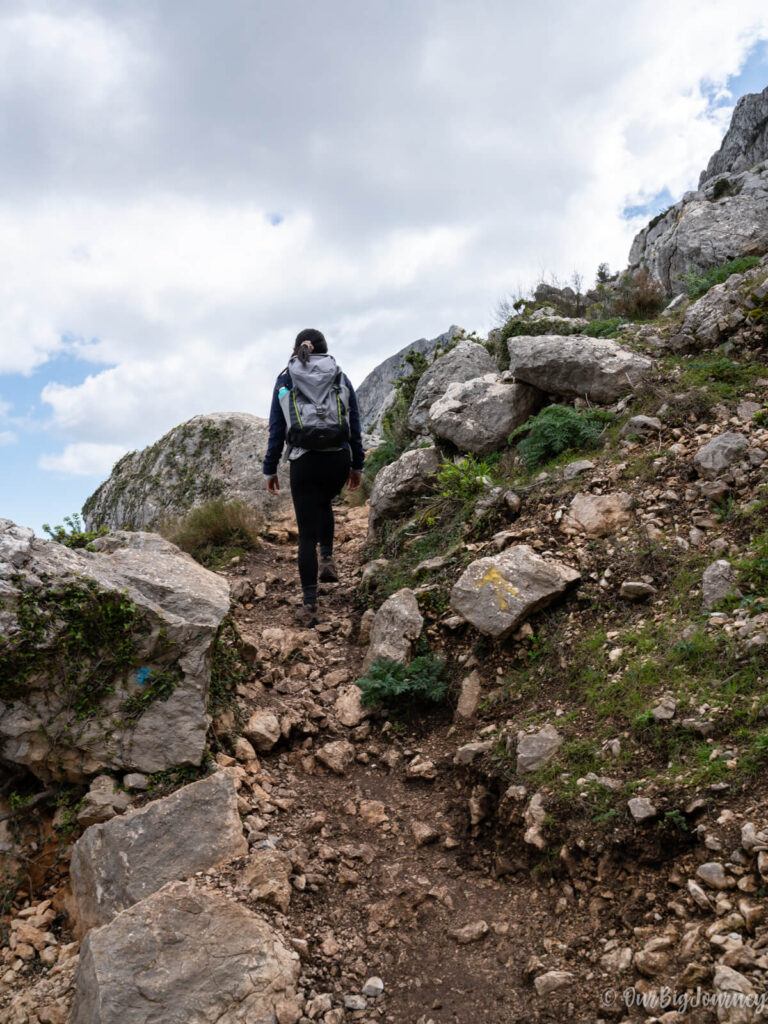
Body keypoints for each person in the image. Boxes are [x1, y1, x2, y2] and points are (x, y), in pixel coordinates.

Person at [263, 328, 364, 626]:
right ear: (324, 349)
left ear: (298, 350)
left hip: (304, 460)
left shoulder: (286, 379)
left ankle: (309, 605)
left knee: (306, 533)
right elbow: (354, 422)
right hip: (337, 457)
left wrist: (270, 468)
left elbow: (276, 429)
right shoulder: (339, 376)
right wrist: (357, 465)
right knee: (324, 503)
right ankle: (328, 560)